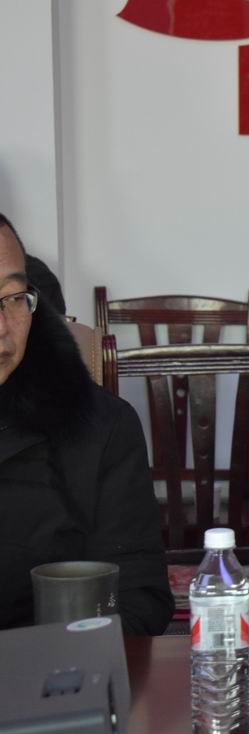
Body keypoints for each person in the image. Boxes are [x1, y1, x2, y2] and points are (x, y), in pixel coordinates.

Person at [0, 214, 172, 633]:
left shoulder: (98, 428)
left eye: (14, 298)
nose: (3, 328)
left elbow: (137, 595)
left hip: (51, 666)